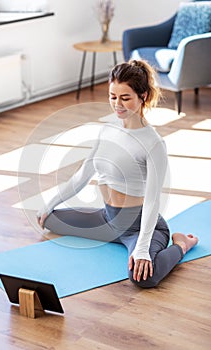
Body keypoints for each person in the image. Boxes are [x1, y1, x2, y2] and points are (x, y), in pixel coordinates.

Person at [37, 59, 198, 288]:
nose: (117, 104)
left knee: (144, 278)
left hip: (138, 225)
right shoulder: (107, 129)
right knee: (50, 219)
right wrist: (50, 202)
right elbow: (83, 173)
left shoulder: (153, 143)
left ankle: (181, 245)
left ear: (142, 96)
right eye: (113, 97)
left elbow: (153, 200)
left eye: (125, 98)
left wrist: (142, 247)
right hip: (107, 219)